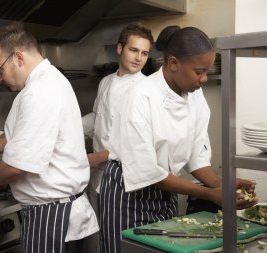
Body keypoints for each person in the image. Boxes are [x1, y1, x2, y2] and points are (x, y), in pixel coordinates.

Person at [99, 25, 257, 253]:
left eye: (207, 71)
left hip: (166, 187)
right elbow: (146, 171)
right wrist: (209, 193)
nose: (203, 79)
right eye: (198, 71)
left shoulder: (195, 95)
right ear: (173, 63)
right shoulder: (139, 96)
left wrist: (225, 186)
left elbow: (196, 158)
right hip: (128, 193)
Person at [0, 21, 99, 253]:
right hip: (59, 213)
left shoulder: (39, 92)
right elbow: (21, 137)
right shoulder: (50, 81)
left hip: (51, 218)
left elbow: (18, 166)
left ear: (18, 57)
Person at [81, 22, 153, 253]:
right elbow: (99, 117)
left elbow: (141, 143)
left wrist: (98, 157)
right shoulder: (106, 82)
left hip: (123, 182)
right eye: (134, 50)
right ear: (120, 49)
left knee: (117, 243)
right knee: (96, 241)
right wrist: (66, 129)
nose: (139, 58)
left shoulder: (146, 89)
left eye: (144, 53)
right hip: (96, 177)